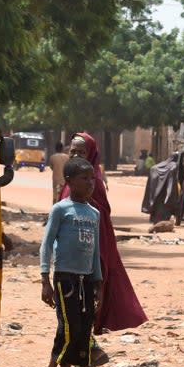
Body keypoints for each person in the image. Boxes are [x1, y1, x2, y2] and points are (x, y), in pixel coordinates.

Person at [63, 133, 147, 346]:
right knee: (73, 308)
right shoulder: (70, 178)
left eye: (81, 152)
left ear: (90, 153)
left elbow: (99, 220)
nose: (75, 155)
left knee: (83, 307)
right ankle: (85, 354)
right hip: (69, 255)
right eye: (72, 150)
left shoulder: (94, 182)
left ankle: (86, 356)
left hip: (90, 253)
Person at [34, 157, 100, 367]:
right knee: (68, 328)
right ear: (70, 181)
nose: (90, 183)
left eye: (92, 178)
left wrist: (98, 284)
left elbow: (95, 253)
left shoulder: (94, 214)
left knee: (81, 332)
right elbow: (47, 244)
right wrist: (45, 279)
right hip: (65, 279)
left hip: (86, 282)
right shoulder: (61, 209)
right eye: (85, 178)